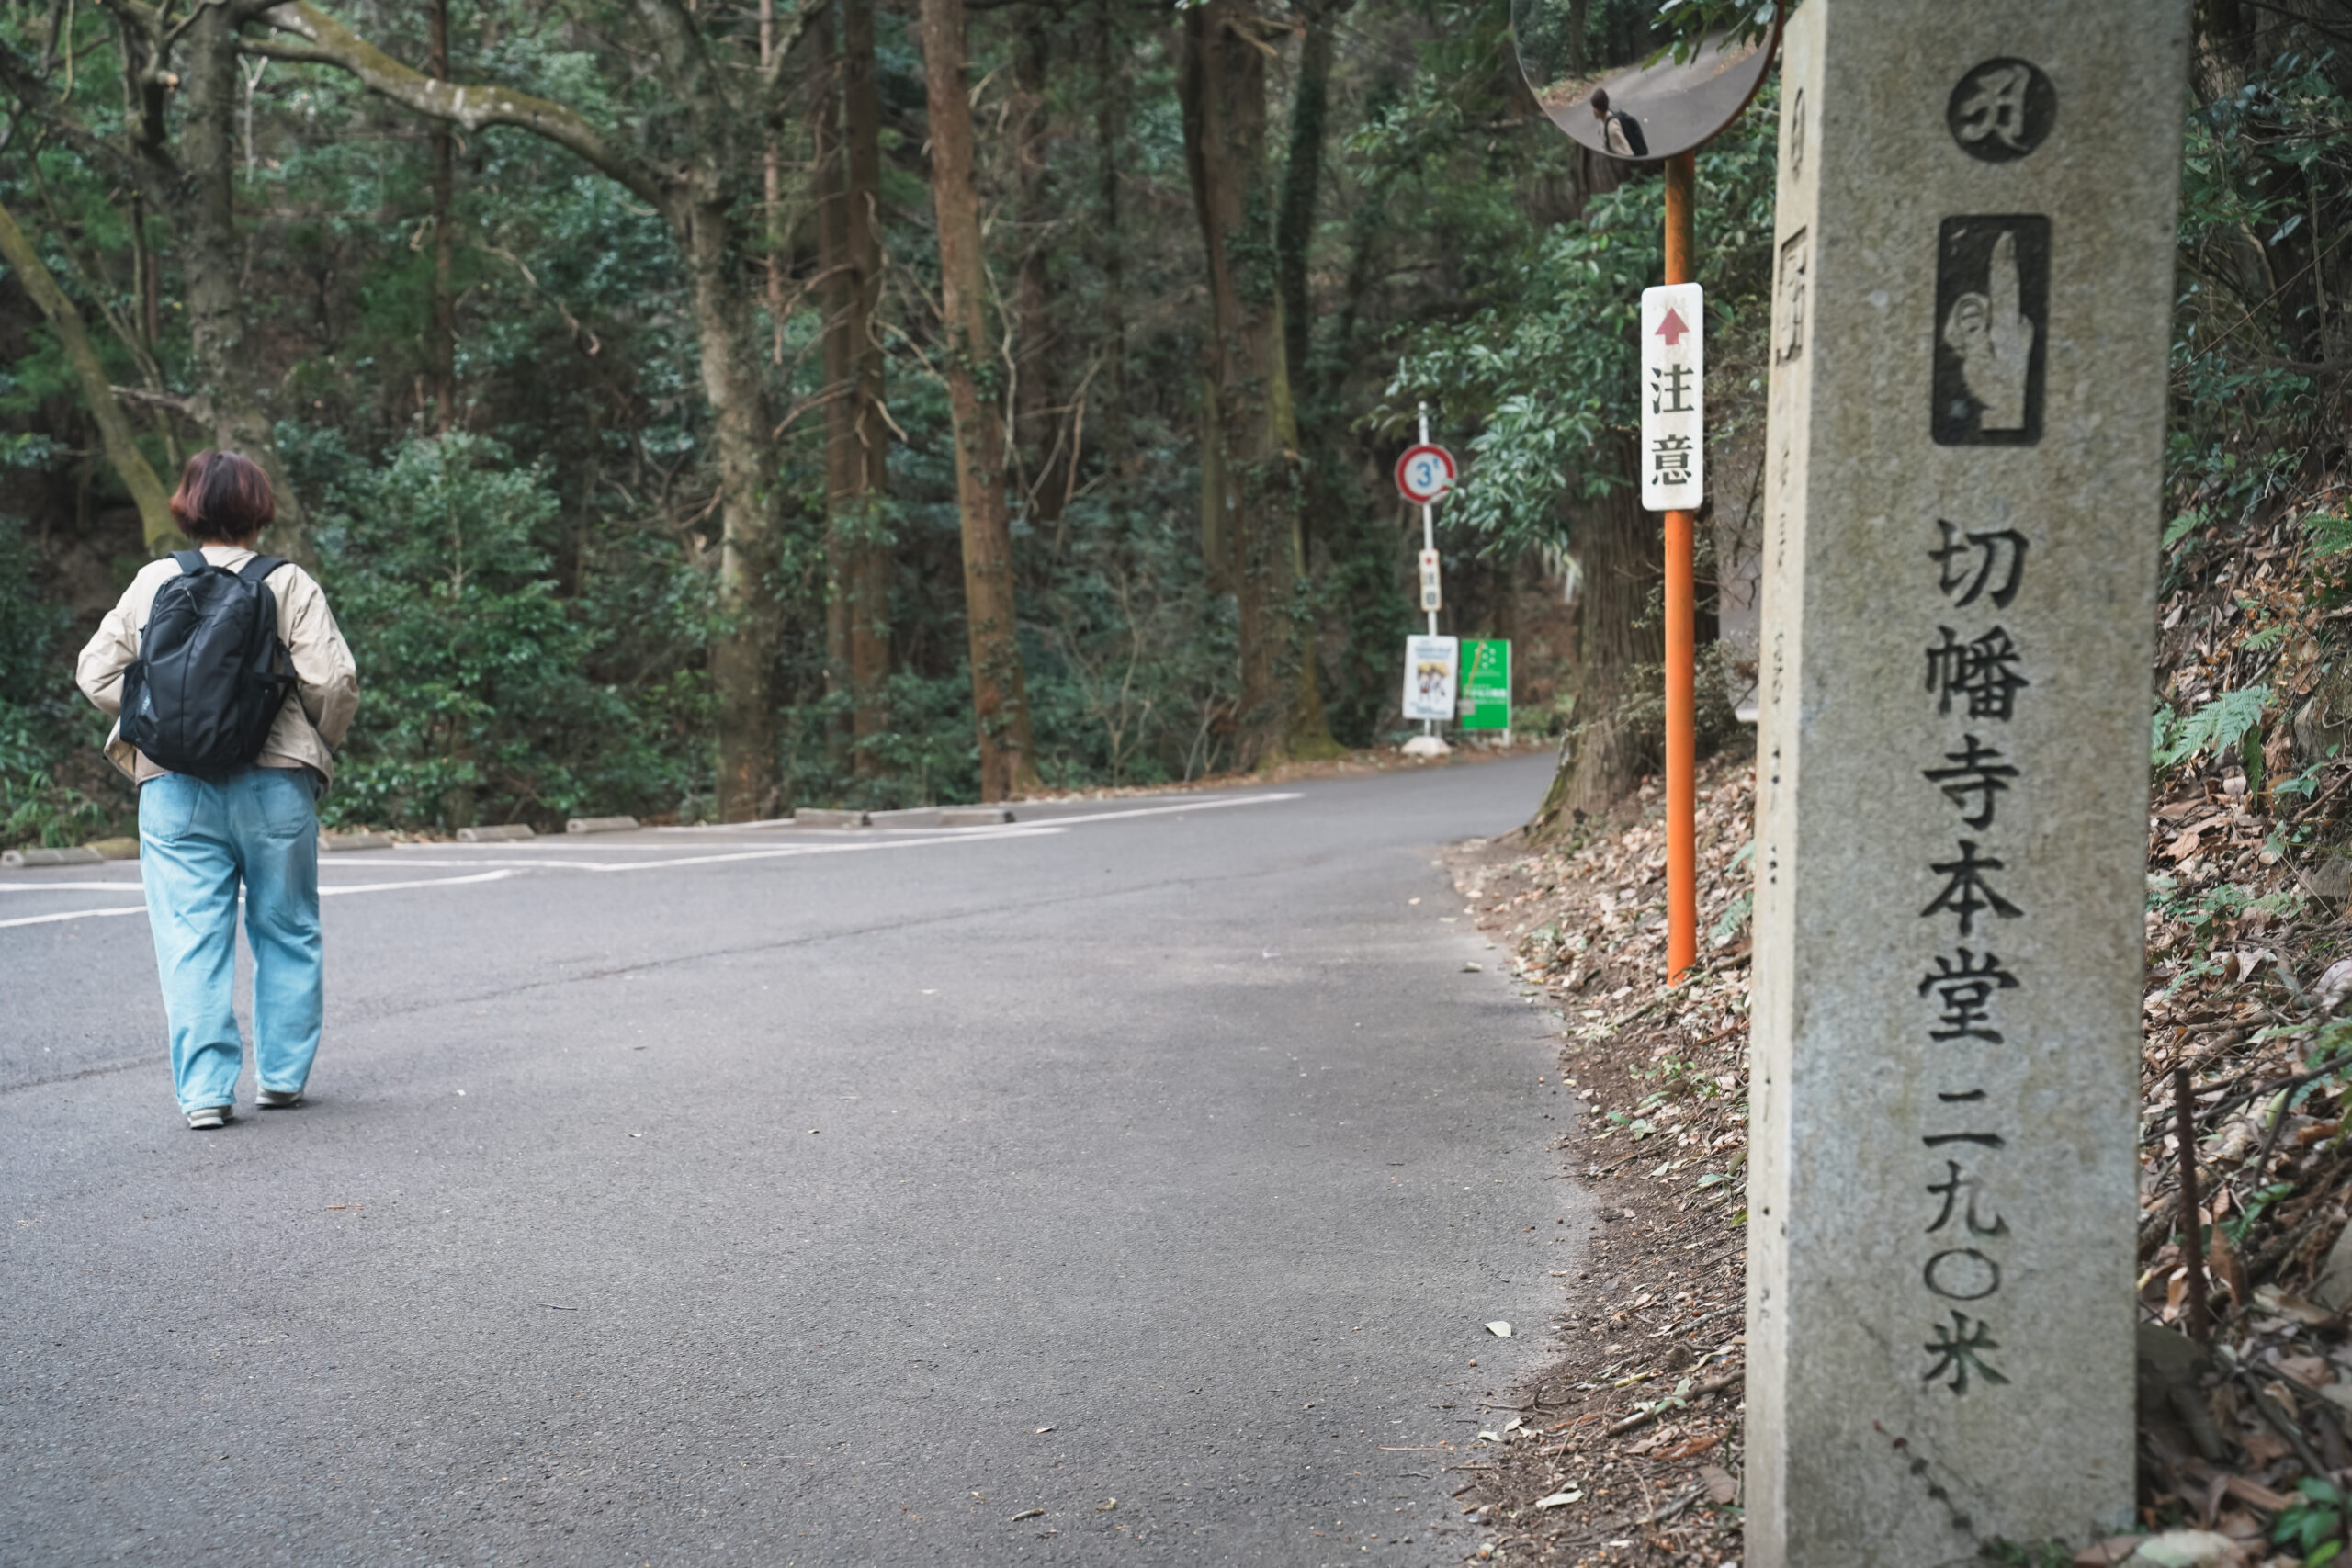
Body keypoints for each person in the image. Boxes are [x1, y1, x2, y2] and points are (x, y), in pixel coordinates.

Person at [77, 451, 359, 1131]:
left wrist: (157, 723)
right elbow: (335, 682)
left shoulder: (154, 580)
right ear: (259, 509)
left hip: (174, 786)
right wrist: (314, 744)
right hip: (275, 783)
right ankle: (283, 1079)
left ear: (186, 504)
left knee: (190, 938)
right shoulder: (289, 583)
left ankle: (205, 1092)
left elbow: (93, 673)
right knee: (286, 926)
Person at [1589, 87, 1647, 158]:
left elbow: (1628, 154)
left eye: (1595, 108)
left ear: (1601, 109)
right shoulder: (1603, 120)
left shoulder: (1612, 129)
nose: (1593, 111)